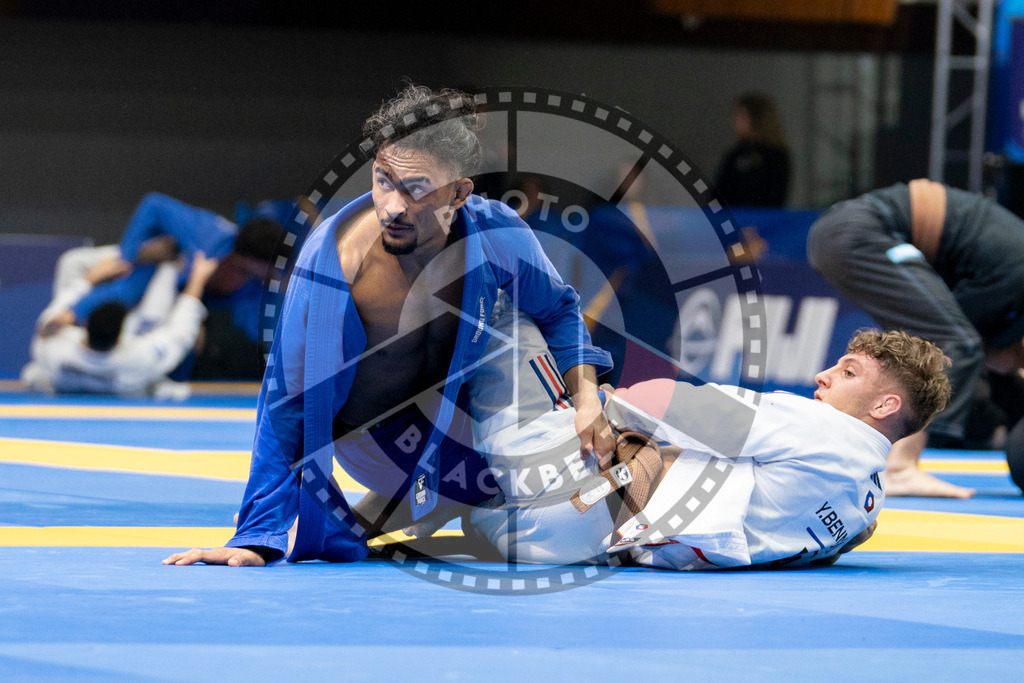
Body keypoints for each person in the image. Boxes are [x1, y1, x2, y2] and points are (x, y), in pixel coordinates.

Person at [163, 84, 614, 568]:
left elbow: (559, 310)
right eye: (383, 180)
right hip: (378, 443)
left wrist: (587, 400)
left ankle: (449, 498)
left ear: (460, 193)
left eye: (416, 188)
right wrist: (257, 535)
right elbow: (286, 399)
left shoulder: (495, 230)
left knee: (517, 323)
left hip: (456, 422)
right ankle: (442, 500)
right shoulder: (336, 263)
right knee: (556, 523)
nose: (393, 206)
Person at [467, 306, 951, 569]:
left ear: (884, 406)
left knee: (504, 318)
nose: (822, 376)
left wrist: (601, 402)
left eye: (848, 372)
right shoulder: (867, 507)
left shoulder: (823, 428)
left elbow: (673, 404)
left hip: (567, 490)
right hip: (576, 545)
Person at [807, 179, 1024, 498]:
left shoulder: (1007, 274)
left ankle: (848, 450)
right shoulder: (1017, 273)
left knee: (935, 354)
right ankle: (900, 467)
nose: (1016, 366)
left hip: (850, 231)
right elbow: (956, 340)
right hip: (861, 232)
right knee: (957, 346)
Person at [67, 193, 286, 379]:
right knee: (128, 288)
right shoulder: (206, 234)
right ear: (248, 259)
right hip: (145, 266)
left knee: (190, 338)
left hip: (179, 301)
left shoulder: (261, 288)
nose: (276, 272)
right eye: (272, 265)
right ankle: (68, 316)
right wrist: (128, 256)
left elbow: (261, 334)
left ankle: (164, 387)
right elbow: (154, 204)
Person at [21, 245, 220, 397]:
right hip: (136, 356)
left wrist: (90, 279)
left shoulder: (55, 353)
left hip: (69, 380)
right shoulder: (137, 360)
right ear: (120, 337)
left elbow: (47, 325)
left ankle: (138, 252)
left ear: (85, 327)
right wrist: (198, 280)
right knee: (167, 269)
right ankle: (149, 250)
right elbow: (180, 334)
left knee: (71, 262)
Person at [713, 92, 791, 208]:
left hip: (760, 217)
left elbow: (775, 195)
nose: (735, 121)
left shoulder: (776, 156)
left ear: (756, 118)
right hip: (730, 216)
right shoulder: (735, 154)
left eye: (741, 116)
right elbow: (718, 192)